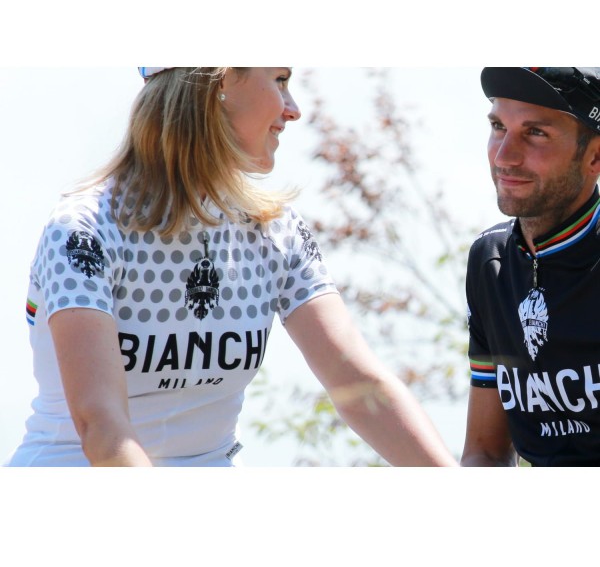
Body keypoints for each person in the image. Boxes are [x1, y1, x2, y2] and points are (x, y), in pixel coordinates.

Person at [6, 67, 456, 467]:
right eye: (280, 80)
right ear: (219, 85)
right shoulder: (82, 229)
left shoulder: (275, 228)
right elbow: (101, 426)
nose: (293, 109)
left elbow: (357, 384)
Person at [461, 67, 600, 467]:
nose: (504, 156)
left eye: (535, 132)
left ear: (595, 156)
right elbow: (485, 453)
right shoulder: (489, 260)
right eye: (498, 127)